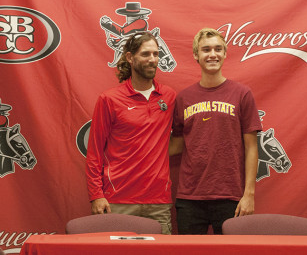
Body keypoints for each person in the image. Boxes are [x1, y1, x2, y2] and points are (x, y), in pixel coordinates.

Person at [169, 28, 262, 234]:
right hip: (190, 197)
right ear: (196, 55)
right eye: (206, 49)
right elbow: (177, 144)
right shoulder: (183, 98)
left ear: (225, 53)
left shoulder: (242, 94)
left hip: (230, 196)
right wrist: (139, 148)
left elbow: (252, 148)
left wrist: (249, 194)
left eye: (218, 49)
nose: (213, 54)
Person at [86, 31, 176, 234]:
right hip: (118, 200)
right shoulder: (109, 99)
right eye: (145, 54)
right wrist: (96, 195)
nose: (152, 59)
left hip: (158, 202)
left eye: (155, 54)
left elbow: (182, 139)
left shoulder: (169, 97)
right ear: (130, 57)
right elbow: (94, 153)